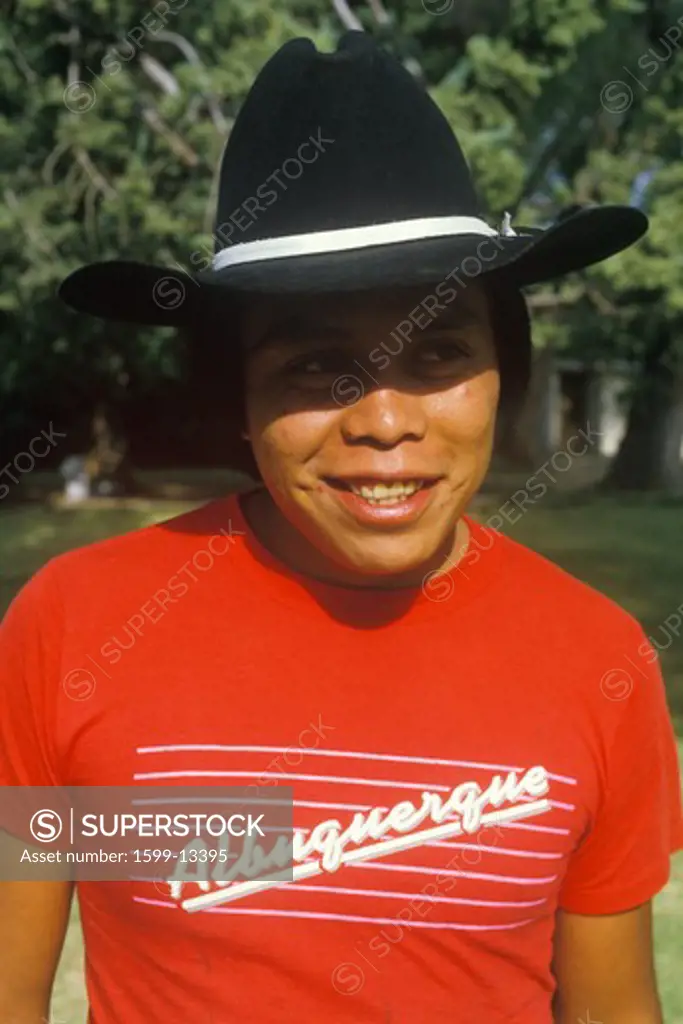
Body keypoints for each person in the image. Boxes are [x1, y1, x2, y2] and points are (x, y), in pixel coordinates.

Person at [1, 30, 682, 1024]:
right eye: (317, 368)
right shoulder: (79, 624)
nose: (383, 420)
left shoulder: (599, 662)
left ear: (506, 374)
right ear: (236, 399)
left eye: (439, 350)